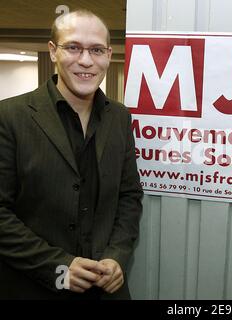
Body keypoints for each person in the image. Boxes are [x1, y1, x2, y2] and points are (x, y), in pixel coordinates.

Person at [0, 9, 143, 299]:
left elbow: (129, 197)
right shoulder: (9, 116)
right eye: (73, 47)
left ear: (108, 54)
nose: (86, 60)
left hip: (106, 289)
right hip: (33, 286)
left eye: (96, 50)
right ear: (53, 51)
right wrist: (59, 265)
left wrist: (117, 256)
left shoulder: (119, 117)